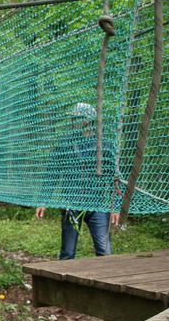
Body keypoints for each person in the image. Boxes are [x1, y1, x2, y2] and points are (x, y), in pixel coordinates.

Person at [35, 102, 120, 260]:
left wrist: (117, 207)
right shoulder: (65, 144)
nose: (73, 122)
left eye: (77, 119)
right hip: (71, 204)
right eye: (72, 119)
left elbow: (113, 178)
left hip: (97, 205)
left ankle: (106, 283)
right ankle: (62, 285)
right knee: (67, 252)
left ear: (88, 120)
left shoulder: (104, 145)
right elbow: (52, 174)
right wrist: (43, 200)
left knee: (105, 252)